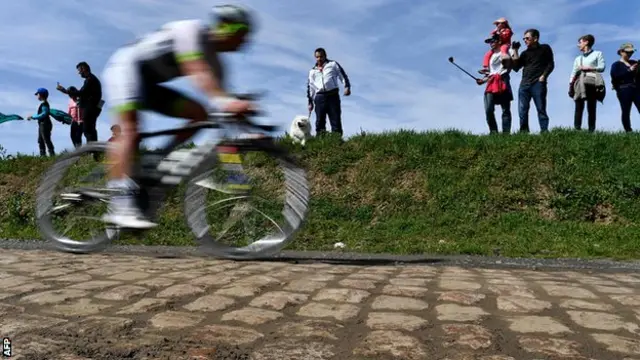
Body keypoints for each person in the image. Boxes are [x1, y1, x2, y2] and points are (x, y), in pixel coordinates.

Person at [100, 4, 255, 229]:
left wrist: (246, 120)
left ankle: (160, 157)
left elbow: (222, 100)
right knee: (131, 131)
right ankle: (119, 206)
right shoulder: (191, 31)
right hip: (124, 69)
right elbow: (197, 70)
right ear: (226, 26)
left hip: (149, 85)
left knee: (200, 114)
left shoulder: (218, 64)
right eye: (242, 33)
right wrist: (225, 102)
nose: (244, 41)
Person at [511, 29, 555, 133]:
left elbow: (551, 64)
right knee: (522, 110)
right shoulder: (525, 53)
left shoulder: (545, 48)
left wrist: (543, 76)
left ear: (535, 38)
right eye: (524, 38)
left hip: (538, 83)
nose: (525, 40)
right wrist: (515, 50)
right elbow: (516, 67)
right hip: (524, 84)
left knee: (541, 108)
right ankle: (524, 132)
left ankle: (544, 131)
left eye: (527, 38)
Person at [306, 47, 351, 136]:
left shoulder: (333, 64)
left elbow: (342, 75)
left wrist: (347, 87)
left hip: (332, 94)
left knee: (335, 118)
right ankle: (321, 140)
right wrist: (310, 102)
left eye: (321, 57)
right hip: (319, 96)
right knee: (320, 121)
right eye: (317, 57)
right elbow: (311, 87)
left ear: (325, 56)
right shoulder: (312, 71)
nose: (319, 59)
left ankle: (336, 139)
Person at [56, 62, 103, 144]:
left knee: (88, 131)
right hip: (92, 108)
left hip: (91, 108)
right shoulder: (90, 79)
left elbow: (81, 93)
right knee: (89, 130)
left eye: (79, 70)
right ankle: (94, 152)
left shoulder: (90, 80)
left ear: (83, 69)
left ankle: (93, 151)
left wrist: (65, 91)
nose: (79, 73)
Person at [477, 34, 513, 134]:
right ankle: (493, 132)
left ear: (499, 41)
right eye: (490, 42)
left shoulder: (506, 51)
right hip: (491, 82)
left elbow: (510, 66)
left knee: (505, 109)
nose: (491, 43)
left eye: (493, 41)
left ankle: (506, 133)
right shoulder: (490, 55)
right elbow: (490, 72)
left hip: (503, 80)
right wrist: (482, 81)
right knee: (488, 109)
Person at [569, 34, 606, 132]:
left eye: (580, 42)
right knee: (578, 106)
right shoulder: (578, 59)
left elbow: (602, 67)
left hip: (592, 82)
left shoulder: (598, 54)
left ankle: (591, 130)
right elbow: (573, 72)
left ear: (586, 42)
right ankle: (577, 129)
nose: (578, 45)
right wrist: (570, 86)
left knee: (591, 107)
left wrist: (589, 68)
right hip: (579, 82)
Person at [610, 42, 640, 132]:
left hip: (637, 89)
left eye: (631, 52)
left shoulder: (635, 63)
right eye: (628, 52)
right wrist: (629, 70)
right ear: (621, 52)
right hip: (623, 90)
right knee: (626, 111)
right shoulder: (616, 65)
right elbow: (615, 76)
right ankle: (628, 131)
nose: (630, 54)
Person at [27, 88, 55, 157]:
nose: (37, 96)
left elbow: (44, 114)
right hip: (42, 124)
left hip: (45, 124)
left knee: (46, 139)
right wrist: (33, 117)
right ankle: (43, 155)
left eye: (38, 94)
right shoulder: (43, 104)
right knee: (40, 140)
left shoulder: (44, 104)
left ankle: (52, 154)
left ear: (41, 95)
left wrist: (33, 117)